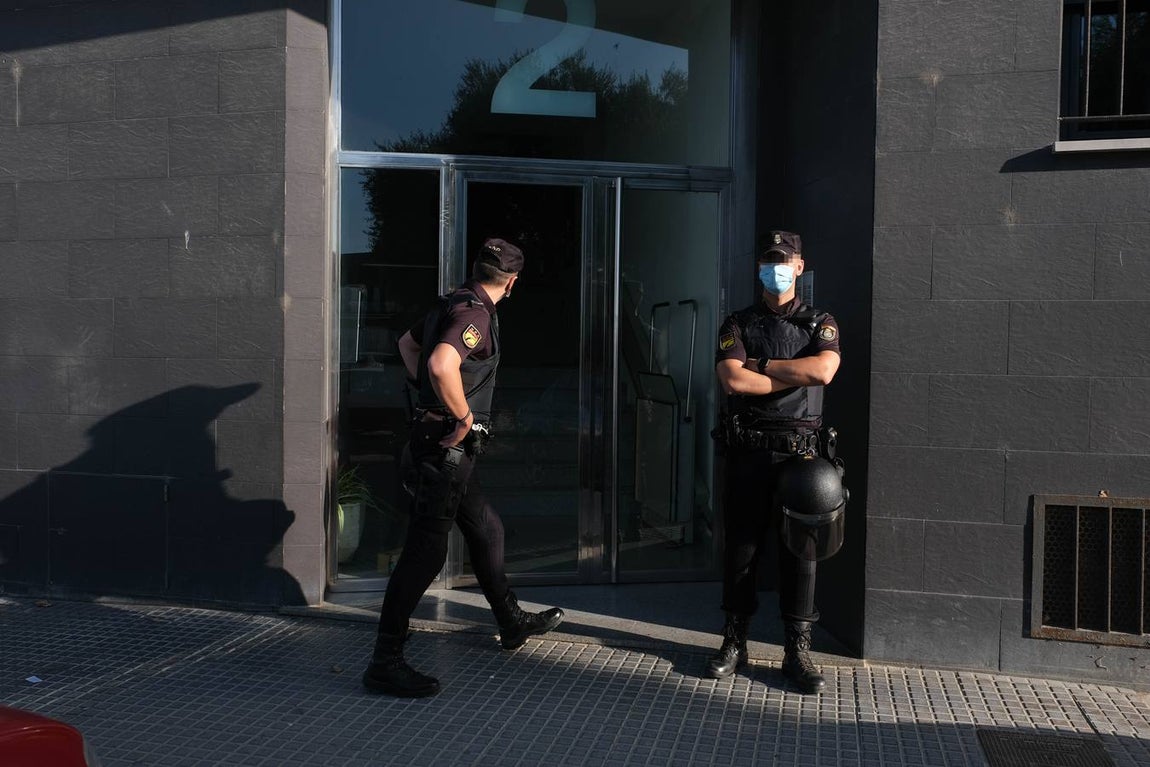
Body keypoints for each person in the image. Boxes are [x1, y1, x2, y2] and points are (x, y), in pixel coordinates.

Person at [362, 238, 565, 698]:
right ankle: (384, 660)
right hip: (445, 448)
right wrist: (461, 416)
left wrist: (430, 404)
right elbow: (439, 362)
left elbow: (407, 345)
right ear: (512, 283)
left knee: (485, 528)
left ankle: (510, 622)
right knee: (426, 554)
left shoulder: (451, 302)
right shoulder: (475, 314)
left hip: (443, 446)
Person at [708, 230, 842, 694]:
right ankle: (734, 641)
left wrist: (760, 367)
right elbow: (732, 380)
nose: (776, 267)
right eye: (769, 259)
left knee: (801, 556)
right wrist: (784, 375)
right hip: (749, 449)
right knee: (741, 549)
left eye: (784, 260)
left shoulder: (819, 321)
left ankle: (796, 650)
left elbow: (822, 370)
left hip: (801, 457)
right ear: (758, 267)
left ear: (800, 266)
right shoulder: (737, 322)